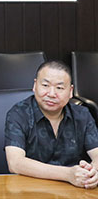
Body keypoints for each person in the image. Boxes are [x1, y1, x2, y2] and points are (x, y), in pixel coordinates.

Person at [5, 60, 98, 189]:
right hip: (32, 189)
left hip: (74, 190)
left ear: (70, 91)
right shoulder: (19, 114)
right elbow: (15, 163)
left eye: (59, 88)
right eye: (45, 85)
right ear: (35, 85)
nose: (51, 94)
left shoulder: (82, 115)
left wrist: (91, 173)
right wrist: (68, 174)